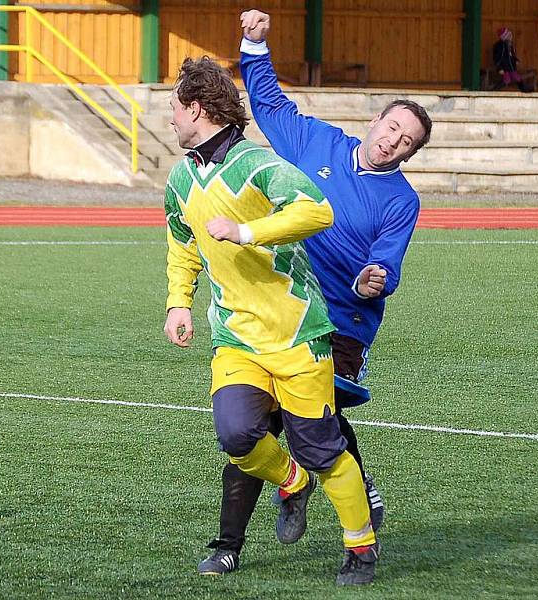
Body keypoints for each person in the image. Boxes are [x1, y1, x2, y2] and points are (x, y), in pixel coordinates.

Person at [195, 9, 432, 578]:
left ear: (409, 155)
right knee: (250, 425)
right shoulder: (318, 142)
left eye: (406, 142)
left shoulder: (401, 201)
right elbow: (272, 106)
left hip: (340, 327)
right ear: (375, 121)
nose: (392, 142)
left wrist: (375, 278)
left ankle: (352, 519)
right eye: (391, 127)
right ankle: (228, 544)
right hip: (276, 308)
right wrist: (254, 46)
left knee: (307, 428)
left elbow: (386, 265)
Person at [163, 56, 379, 585]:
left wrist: (246, 233)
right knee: (235, 433)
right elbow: (182, 239)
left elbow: (316, 211)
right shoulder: (181, 177)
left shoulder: (256, 165)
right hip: (236, 337)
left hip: (298, 336)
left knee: (326, 452)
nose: (169, 118)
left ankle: (361, 549)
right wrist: (177, 302)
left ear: (196, 109)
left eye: (174, 107)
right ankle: (290, 481)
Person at [491, 27, 531, 92]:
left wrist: (516, 60)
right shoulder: (499, 46)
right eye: (509, 35)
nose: (511, 36)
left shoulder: (509, 45)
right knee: (507, 79)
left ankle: (525, 90)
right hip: (504, 67)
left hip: (511, 66)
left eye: (510, 35)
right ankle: (494, 91)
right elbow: (497, 58)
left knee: (517, 77)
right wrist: (499, 68)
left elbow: (511, 55)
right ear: (505, 37)